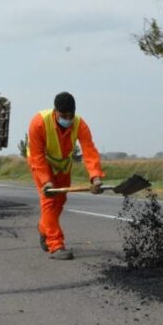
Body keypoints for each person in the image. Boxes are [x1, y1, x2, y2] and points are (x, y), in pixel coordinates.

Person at [27, 92, 105, 260]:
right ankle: (55, 245)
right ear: (55, 112)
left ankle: (43, 227)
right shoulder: (38, 123)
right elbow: (37, 156)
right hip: (41, 164)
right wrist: (46, 181)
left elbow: (89, 151)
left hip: (63, 165)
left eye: (71, 115)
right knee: (49, 201)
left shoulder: (79, 124)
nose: (67, 119)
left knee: (60, 201)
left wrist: (95, 177)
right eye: (64, 116)